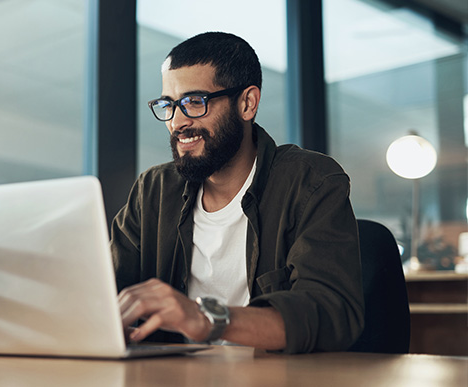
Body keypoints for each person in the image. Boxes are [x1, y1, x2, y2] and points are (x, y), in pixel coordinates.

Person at [111, 32, 364, 354]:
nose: (176, 122)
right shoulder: (154, 190)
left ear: (247, 103)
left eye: (194, 102)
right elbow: (106, 292)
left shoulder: (310, 181)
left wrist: (207, 319)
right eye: (169, 105)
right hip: (172, 376)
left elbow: (331, 313)